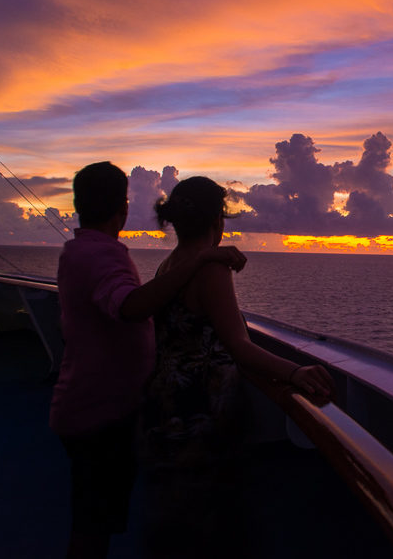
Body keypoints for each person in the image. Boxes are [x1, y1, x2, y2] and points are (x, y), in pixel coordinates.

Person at [50, 161, 247, 559]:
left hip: (97, 405)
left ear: (77, 206)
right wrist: (203, 259)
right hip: (97, 413)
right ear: (122, 208)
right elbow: (131, 306)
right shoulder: (100, 256)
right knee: (93, 527)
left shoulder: (81, 251)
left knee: (102, 521)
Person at [140, 176, 334, 557]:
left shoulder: (171, 265)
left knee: (180, 512)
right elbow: (240, 347)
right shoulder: (211, 270)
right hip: (203, 410)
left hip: (167, 400)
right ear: (218, 221)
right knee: (212, 517)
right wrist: (296, 372)